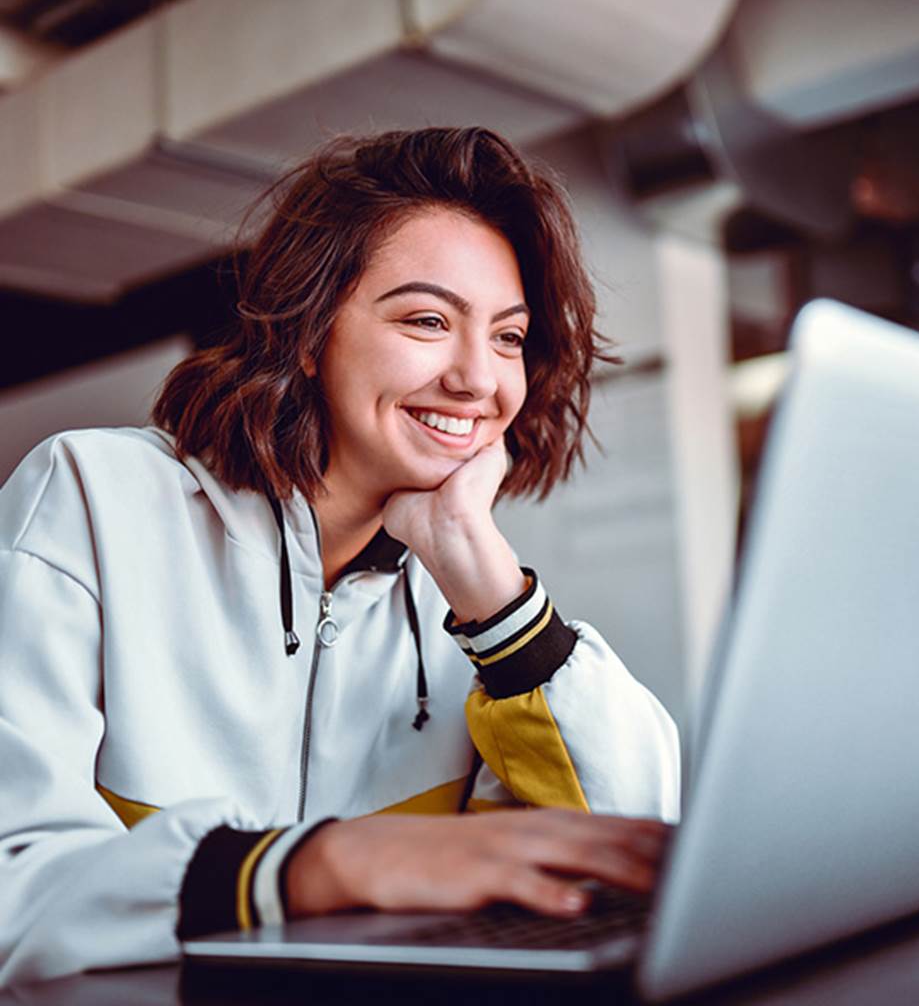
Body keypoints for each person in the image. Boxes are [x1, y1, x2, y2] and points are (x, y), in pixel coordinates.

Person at [0, 127, 680, 987]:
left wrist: (483, 576)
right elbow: (13, 884)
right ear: (310, 331)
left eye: (508, 337)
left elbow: (626, 860)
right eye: (429, 320)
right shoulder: (92, 497)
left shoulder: (471, 603)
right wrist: (313, 869)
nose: (479, 379)